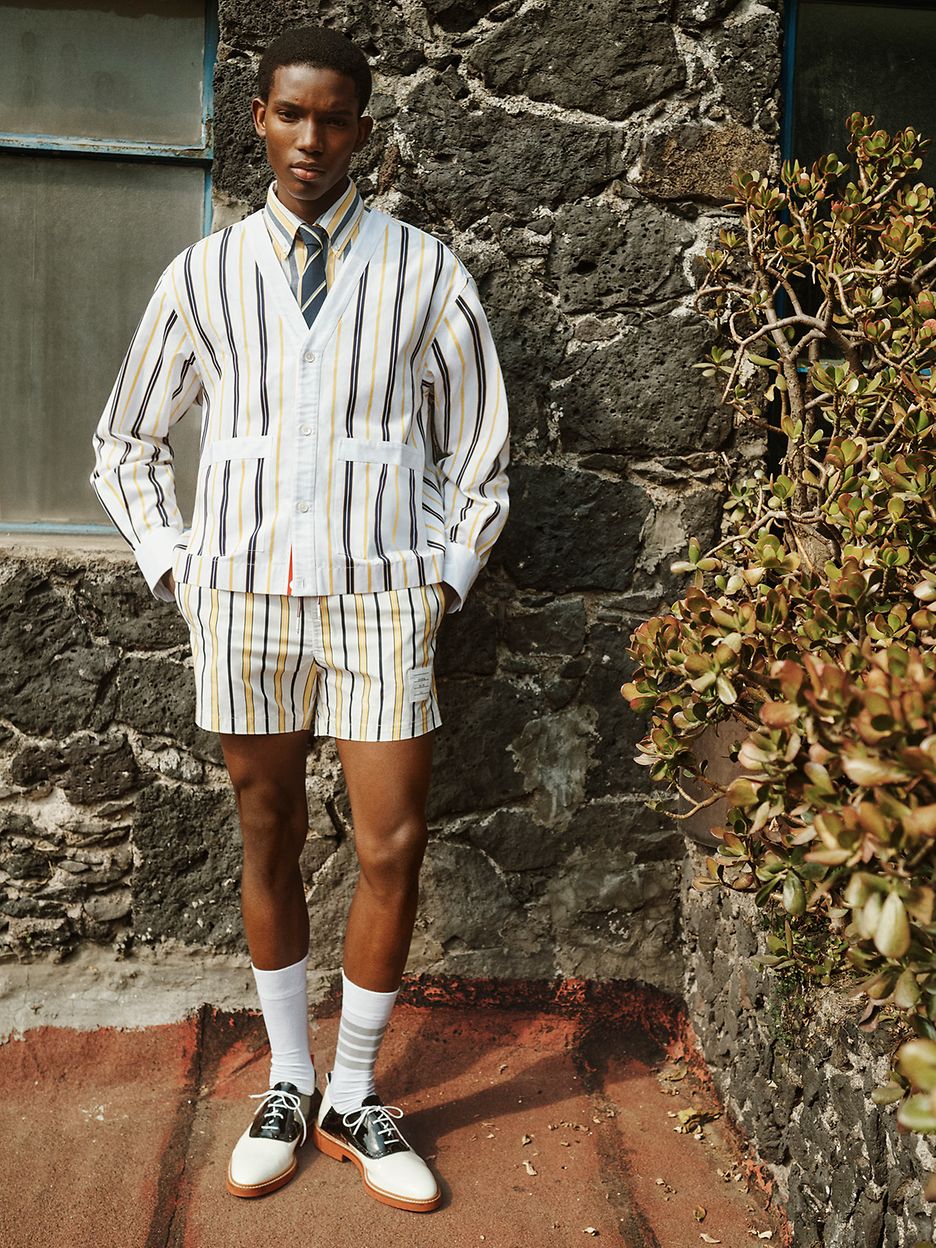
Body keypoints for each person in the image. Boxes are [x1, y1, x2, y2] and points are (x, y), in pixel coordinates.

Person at [89, 24, 509, 1213]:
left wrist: (440, 582)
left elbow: (480, 453)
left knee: (390, 845)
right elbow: (126, 442)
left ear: (362, 130)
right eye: (290, 114)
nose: (310, 139)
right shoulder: (204, 275)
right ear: (259, 121)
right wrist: (179, 567)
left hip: (382, 596)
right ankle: (287, 1078)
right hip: (242, 599)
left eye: (332, 119)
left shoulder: (425, 273)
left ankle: (355, 1093)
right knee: (265, 834)